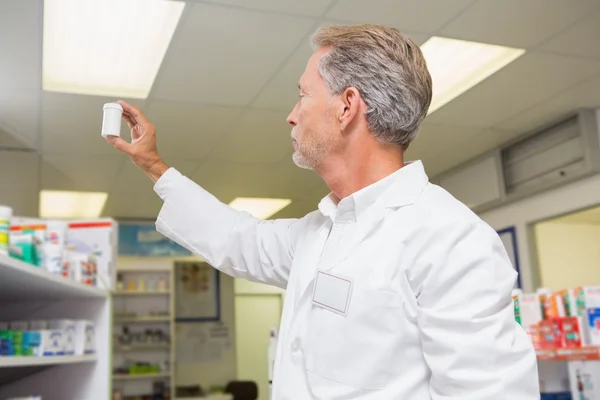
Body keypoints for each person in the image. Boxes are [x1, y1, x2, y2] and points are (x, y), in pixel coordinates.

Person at [107, 24, 539, 399]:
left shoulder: (450, 239)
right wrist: (153, 165)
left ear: (347, 106)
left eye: (303, 95)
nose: (292, 116)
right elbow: (238, 239)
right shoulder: (320, 232)